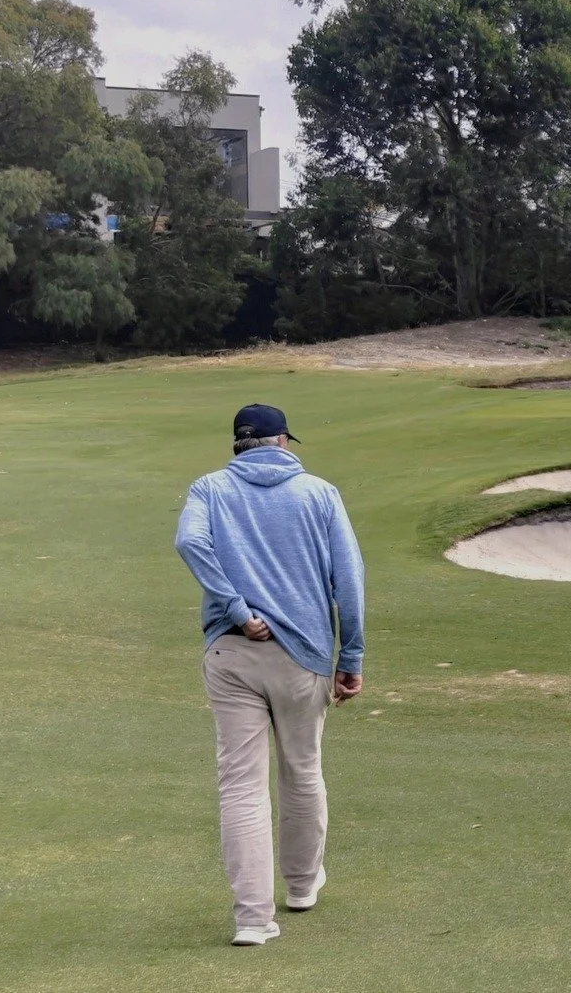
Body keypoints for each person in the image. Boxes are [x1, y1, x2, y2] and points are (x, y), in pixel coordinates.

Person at [174, 403, 366, 947]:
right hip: (303, 655)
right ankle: (302, 886)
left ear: (240, 444)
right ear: (283, 442)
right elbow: (348, 582)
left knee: (241, 787)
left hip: (232, 653)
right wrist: (350, 660)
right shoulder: (320, 494)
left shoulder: (209, 488)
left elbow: (189, 542)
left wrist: (236, 609)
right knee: (301, 772)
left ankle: (253, 920)